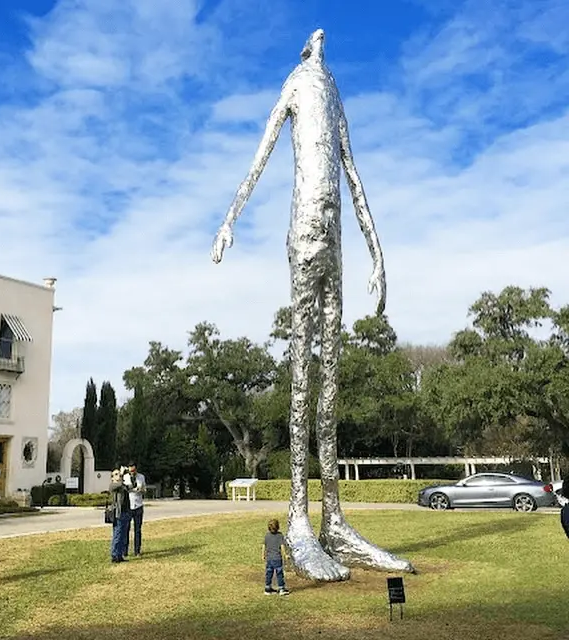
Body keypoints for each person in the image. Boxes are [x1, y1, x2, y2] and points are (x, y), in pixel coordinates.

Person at [211, 28, 414, 581]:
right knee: (303, 371)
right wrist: (229, 221)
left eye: (323, 40)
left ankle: (335, 520)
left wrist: (378, 254)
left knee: (333, 381)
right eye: (312, 40)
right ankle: (299, 518)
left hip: (339, 241)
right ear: (304, 52)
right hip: (303, 237)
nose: (321, 39)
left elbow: (352, 171)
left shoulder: (333, 90)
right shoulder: (298, 85)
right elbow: (263, 150)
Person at [123, 461, 146, 557]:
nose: (132, 471)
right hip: (129, 505)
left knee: (137, 529)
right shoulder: (125, 477)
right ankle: (125, 551)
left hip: (138, 505)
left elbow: (144, 489)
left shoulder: (141, 477)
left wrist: (141, 490)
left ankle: (137, 551)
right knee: (126, 529)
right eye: (130, 469)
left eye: (134, 469)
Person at [109, 468, 132, 563]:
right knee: (117, 534)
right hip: (118, 514)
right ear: (112, 478)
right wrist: (122, 474)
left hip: (126, 512)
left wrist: (129, 474)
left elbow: (131, 486)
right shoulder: (113, 485)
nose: (119, 476)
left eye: (119, 474)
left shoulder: (122, 486)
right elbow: (117, 485)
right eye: (116, 474)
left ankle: (120, 555)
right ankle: (115, 555)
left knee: (123, 535)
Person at [263, 519, 290, 596]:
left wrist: (263, 555)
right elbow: (282, 546)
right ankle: (281, 588)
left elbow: (264, 546)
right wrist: (285, 555)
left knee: (269, 573)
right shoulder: (280, 535)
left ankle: (267, 588)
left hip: (269, 559)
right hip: (277, 558)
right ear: (278, 527)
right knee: (279, 573)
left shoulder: (267, 536)